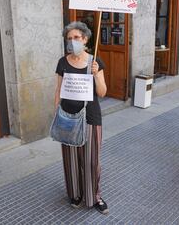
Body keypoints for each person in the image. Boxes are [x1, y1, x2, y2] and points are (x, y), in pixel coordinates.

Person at [54, 21, 108, 214]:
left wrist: (95, 75)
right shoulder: (62, 62)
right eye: (69, 38)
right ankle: (75, 193)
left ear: (85, 39)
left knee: (91, 160)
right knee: (71, 160)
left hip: (90, 118)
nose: (72, 41)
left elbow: (102, 92)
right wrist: (57, 116)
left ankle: (95, 196)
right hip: (67, 117)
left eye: (76, 37)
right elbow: (58, 90)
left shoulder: (95, 62)